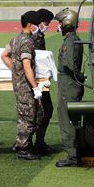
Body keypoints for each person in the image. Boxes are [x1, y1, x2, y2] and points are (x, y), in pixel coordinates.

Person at [1, 10, 44, 160]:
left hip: (20, 84)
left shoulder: (16, 39)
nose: (38, 27)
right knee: (27, 116)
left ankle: (25, 144)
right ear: (31, 25)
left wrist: (15, 69)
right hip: (25, 86)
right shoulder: (26, 41)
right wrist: (35, 87)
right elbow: (27, 66)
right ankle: (22, 148)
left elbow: (4, 55)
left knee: (32, 114)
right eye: (37, 25)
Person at [54, 8, 85, 167]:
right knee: (71, 119)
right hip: (71, 85)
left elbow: (69, 65)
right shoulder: (73, 39)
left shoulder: (69, 41)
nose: (58, 26)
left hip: (68, 86)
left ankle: (72, 156)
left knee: (67, 120)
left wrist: (77, 75)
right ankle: (75, 153)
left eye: (60, 22)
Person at [32, 8, 55, 155]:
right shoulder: (34, 38)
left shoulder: (38, 36)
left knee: (43, 111)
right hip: (35, 81)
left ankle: (37, 142)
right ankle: (32, 142)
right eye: (46, 23)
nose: (47, 26)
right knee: (40, 111)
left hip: (39, 80)